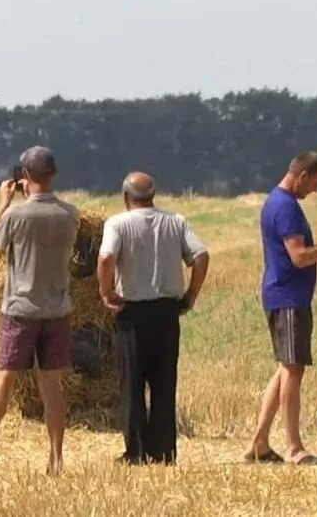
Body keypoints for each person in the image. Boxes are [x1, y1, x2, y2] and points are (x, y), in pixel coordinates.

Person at [0, 146, 80, 476]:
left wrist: (3, 203)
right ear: (54, 175)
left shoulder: (18, 216)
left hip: (20, 309)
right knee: (52, 387)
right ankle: (56, 458)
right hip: (57, 310)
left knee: (2, 380)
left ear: (25, 176)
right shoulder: (70, 214)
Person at [245, 151, 317, 466]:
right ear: (303, 175)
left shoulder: (276, 203)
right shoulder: (286, 208)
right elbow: (300, 257)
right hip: (288, 297)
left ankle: (260, 443)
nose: (314, 191)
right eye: (314, 184)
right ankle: (294, 447)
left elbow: (298, 251)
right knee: (293, 370)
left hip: (284, 295)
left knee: (285, 368)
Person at [97, 171, 209, 465]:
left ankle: (136, 451)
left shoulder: (117, 223)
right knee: (163, 383)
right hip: (166, 313)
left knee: (132, 384)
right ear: (153, 196)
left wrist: (105, 290)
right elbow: (201, 256)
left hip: (131, 312)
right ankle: (163, 451)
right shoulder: (176, 221)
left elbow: (107, 257)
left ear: (125, 197)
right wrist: (191, 294)